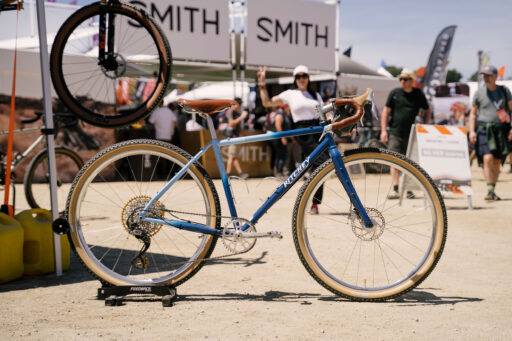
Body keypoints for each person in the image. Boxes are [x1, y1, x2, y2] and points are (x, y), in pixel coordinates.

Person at [257, 64, 326, 214]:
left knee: (320, 167)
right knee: (322, 164)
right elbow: (267, 103)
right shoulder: (290, 93)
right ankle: (309, 194)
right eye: (298, 76)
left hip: (318, 129)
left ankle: (314, 202)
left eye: (304, 76)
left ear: (308, 78)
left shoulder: (316, 95)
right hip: (303, 131)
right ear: (295, 79)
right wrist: (262, 86)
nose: (301, 79)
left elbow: (324, 113)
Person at [380, 67, 431, 199]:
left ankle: (408, 189)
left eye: (406, 79)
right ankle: (396, 189)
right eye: (401, 79)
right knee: (394, 160)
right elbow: (385, 112)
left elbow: (427, 110)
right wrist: (383, 130)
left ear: (412, 80)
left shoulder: (418, 94)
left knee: (410, 162)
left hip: (413, 134)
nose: (402, 81)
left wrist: (425, 126)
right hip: (395, 132)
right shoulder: (395, 93)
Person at [469, 65, 512, 200]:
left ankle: (492, 189)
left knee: (498, 161)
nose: (485, 78)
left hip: (501, 129)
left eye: (488, 75)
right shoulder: (479, 93)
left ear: (495, 76)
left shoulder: (504, 91)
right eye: (484, 75)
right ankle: (489, 189)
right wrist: (471, 131)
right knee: (487, 158)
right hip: (484, 129)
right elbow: (473, 114)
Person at [218, 97, 249, 179]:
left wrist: (243, 133)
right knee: (232, 156)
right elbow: (231, 123)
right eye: (240, 104)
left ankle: (239, 173)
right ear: (237, 104)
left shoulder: (235, 113)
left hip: (234, 136)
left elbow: (237, 125)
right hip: (232, 137)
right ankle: (228, 174)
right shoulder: (231, 111)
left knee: (233, 155)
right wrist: (242, 117)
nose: (241, 106)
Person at [269, 104, 293, 178]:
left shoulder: (283, 113)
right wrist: (283, 138)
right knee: (282, 155)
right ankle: (279, 172)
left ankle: (278, 172)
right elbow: (278, 126)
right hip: (278, 138)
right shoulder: (280, 114)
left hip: (279, 138)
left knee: (280, 155)